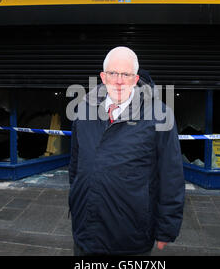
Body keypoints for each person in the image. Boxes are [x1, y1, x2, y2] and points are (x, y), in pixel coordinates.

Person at [68, 46, 185, 255]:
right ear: (103, 77)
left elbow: (171, 176)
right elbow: (76, 165)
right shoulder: (83, 110)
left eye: (126, 74)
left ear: (135, 78)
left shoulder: (159, 116)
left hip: (130, 237)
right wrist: (77, 202)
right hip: (85, 233)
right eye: (113, 73)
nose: (119, 81)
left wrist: (166, 229)